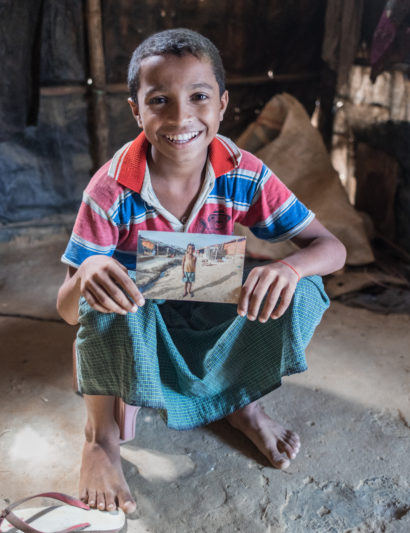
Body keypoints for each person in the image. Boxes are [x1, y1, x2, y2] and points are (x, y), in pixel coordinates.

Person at [56, 28, 346, 514]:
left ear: (222, 104)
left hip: (210, 312)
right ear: (136, 110)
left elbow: (330, 248)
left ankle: (241, 404)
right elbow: (68, 309)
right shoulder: (110, 190)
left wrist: (291, 269)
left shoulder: (245, 173)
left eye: (198, 97)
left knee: (299, 288)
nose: (181, 117)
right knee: (104, 295)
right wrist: (88, 273)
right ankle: (100, 441)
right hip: (139, 327)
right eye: (159, 101)